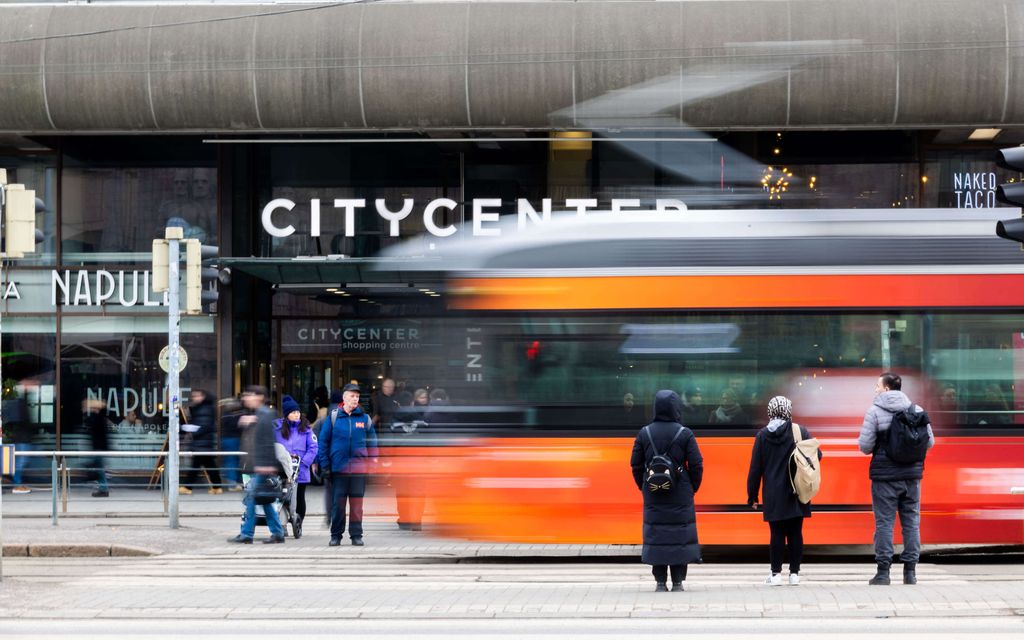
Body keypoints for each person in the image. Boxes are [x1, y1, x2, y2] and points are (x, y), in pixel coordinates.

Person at [859, 371, 935, 586]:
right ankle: (910, 573)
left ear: (886, 388)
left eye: (877, 385)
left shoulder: (874, 412)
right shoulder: (916, 410)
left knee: (884, 523)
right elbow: (930, 443)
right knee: (911, 523)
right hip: (912, 477)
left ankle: (883, 573)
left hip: (884, 477)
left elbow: (865, 447)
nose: (875, 389)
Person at [629, 390, 704, 592]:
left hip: (654, 492)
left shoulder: (645, 433)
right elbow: (697, 465)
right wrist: (691, 488)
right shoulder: (685, 433)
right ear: (676, 408)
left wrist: (644, 486)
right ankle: (678, 581)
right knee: (679, 535)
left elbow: (635, 465)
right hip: (680, 492)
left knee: (657, 534)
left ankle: (660, 582)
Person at [746, 396, 821, 586]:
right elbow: (817, 455)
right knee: (796, 532)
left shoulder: (762, 436)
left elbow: (755, 468)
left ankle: (776, 574)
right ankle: (794, 574)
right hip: (797, 490)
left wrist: (752, 495)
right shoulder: (799, 431)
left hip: (773, 493)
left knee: (777, 533)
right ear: (789, 411)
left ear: (770, 412)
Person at [318, 383, 379, 546]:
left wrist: (373, 463)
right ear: (344, 397)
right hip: (339, 469)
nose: (355, 399)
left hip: (359, 469)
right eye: (352, 396)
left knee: (357, 505)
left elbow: (372, 443)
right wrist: (324, 465)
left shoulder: (364, 419)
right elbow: (323, 442)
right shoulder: (334, 417)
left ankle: (356, 535)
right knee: (338, 505)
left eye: (357, 396)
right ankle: (336, 535)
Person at [228, 386, 286, 544]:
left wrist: (266, 465)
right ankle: (277, 533)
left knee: (252, 498)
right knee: (264, 499)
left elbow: (268, 442)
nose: (246, 398)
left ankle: (247, 534)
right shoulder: (259, 415)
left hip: (263, 465)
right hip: (259, 465)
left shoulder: (265, 415)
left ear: (260, 397)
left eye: (249, 395)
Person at [274, 395, 318, 539]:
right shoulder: (278, 428)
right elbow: (274, 446)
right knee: (282, 499)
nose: (296, 414)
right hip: (283, 471)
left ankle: (298, 523)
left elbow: (313, 447)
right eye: (293, 412)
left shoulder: (305, 429)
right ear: (287, 414)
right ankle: (282, 525)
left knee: (299, 498)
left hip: (301, 470)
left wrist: (305, 462)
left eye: (298, 412)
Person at [181, 389, 223, 495]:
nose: (195, 398)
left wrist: (192, 432)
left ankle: (187, 487)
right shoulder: (202, 408)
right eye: (194, 396)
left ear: (204, 396)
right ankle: (217, 487)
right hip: (202, 443)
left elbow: (205, 426)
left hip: (202, 443)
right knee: (209, 465)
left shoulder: (205, 409)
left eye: (197, 396)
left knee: (196, 466)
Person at [82, 398, 111, 498]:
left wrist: (87, 408)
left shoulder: (99, 417)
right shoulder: (99, 417)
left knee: (99, 469)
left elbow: (103, 405)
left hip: (99, 447)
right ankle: (103, 488)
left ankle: (104, 489)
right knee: (99, 469)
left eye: (94, 408)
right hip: (99, 447)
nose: (92, 409)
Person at [219, 397, 245, 491]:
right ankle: (233, 484)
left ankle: (235, 482)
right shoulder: (238, 415)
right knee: (234, 461)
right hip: (235, 439)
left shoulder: (225, 415)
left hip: (227, 439)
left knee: (231, 461)